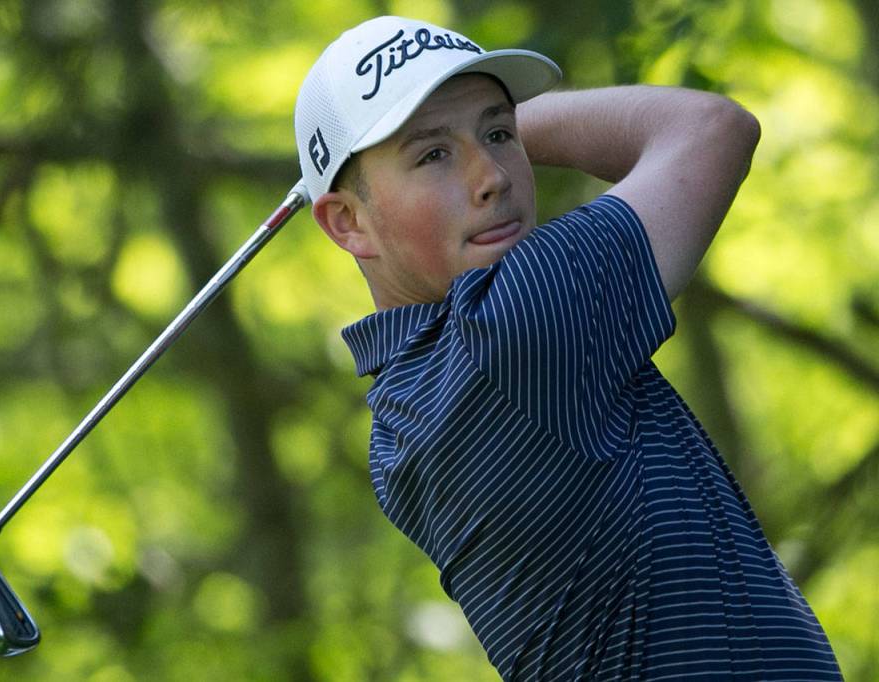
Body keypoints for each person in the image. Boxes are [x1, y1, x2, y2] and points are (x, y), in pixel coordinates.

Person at [294, 15, 843, 681]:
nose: (492, 174)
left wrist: (459, 121)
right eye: (433, 154)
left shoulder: (401, 417)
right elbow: (710, 129)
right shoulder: (514, 326)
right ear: (347, 221)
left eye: (499, 134)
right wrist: (516, 116)